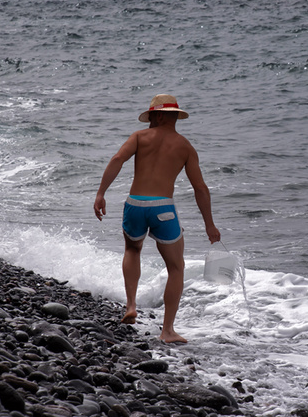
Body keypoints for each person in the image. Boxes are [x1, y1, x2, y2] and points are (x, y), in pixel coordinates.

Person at [92, 94, 219, 343]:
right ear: (174, 116)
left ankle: (131, 305)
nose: (149, 120)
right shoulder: (185, 146)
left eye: (151, 116)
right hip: (163, 208)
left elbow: (117, 159)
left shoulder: (139, 137)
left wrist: (101, 193)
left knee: (132, 250)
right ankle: (167, 331)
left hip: (135, 204)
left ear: (158, 115)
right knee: (176, 267)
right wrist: (209, 224)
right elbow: (200, 188)